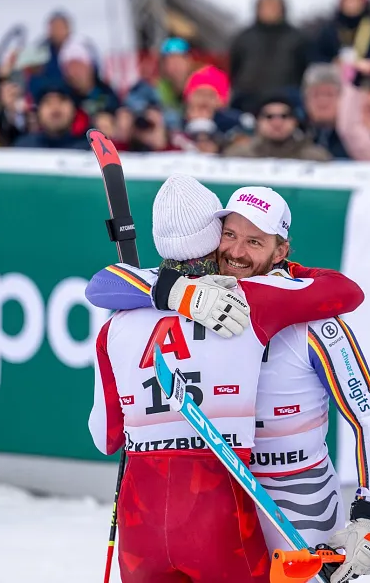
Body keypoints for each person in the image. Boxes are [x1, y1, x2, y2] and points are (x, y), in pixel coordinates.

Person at [86, 185, 370, 583]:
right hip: (225, 498)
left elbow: (367, 417)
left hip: (299, 500)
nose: (236, 252)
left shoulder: (312, 320)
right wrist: (175, 292)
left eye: (254, 242)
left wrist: (369, 517)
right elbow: (104, 284)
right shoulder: (189, 298)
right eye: (229, 235)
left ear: (281, 252)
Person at [88, 175, 273, 583]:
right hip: (220, 508)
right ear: (215, 238)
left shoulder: (116, 322)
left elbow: (105, 438)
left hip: (142, 522)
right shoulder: (250, 300)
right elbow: (340, 294)